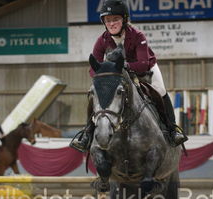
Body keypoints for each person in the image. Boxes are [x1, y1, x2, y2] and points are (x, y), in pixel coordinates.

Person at [70, 0, 188, 153]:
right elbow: (93, 69)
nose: (111, 23)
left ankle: (173, 130)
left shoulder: (137, 35)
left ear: (124, 20)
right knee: (95, 94)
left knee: (161, 90)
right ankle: (87, 134)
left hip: (145, 70)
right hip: (118, 73)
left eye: (115, 19)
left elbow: (143, 64)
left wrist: (123, 67)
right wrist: (103, 74)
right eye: (108, 20)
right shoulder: (102, 40)